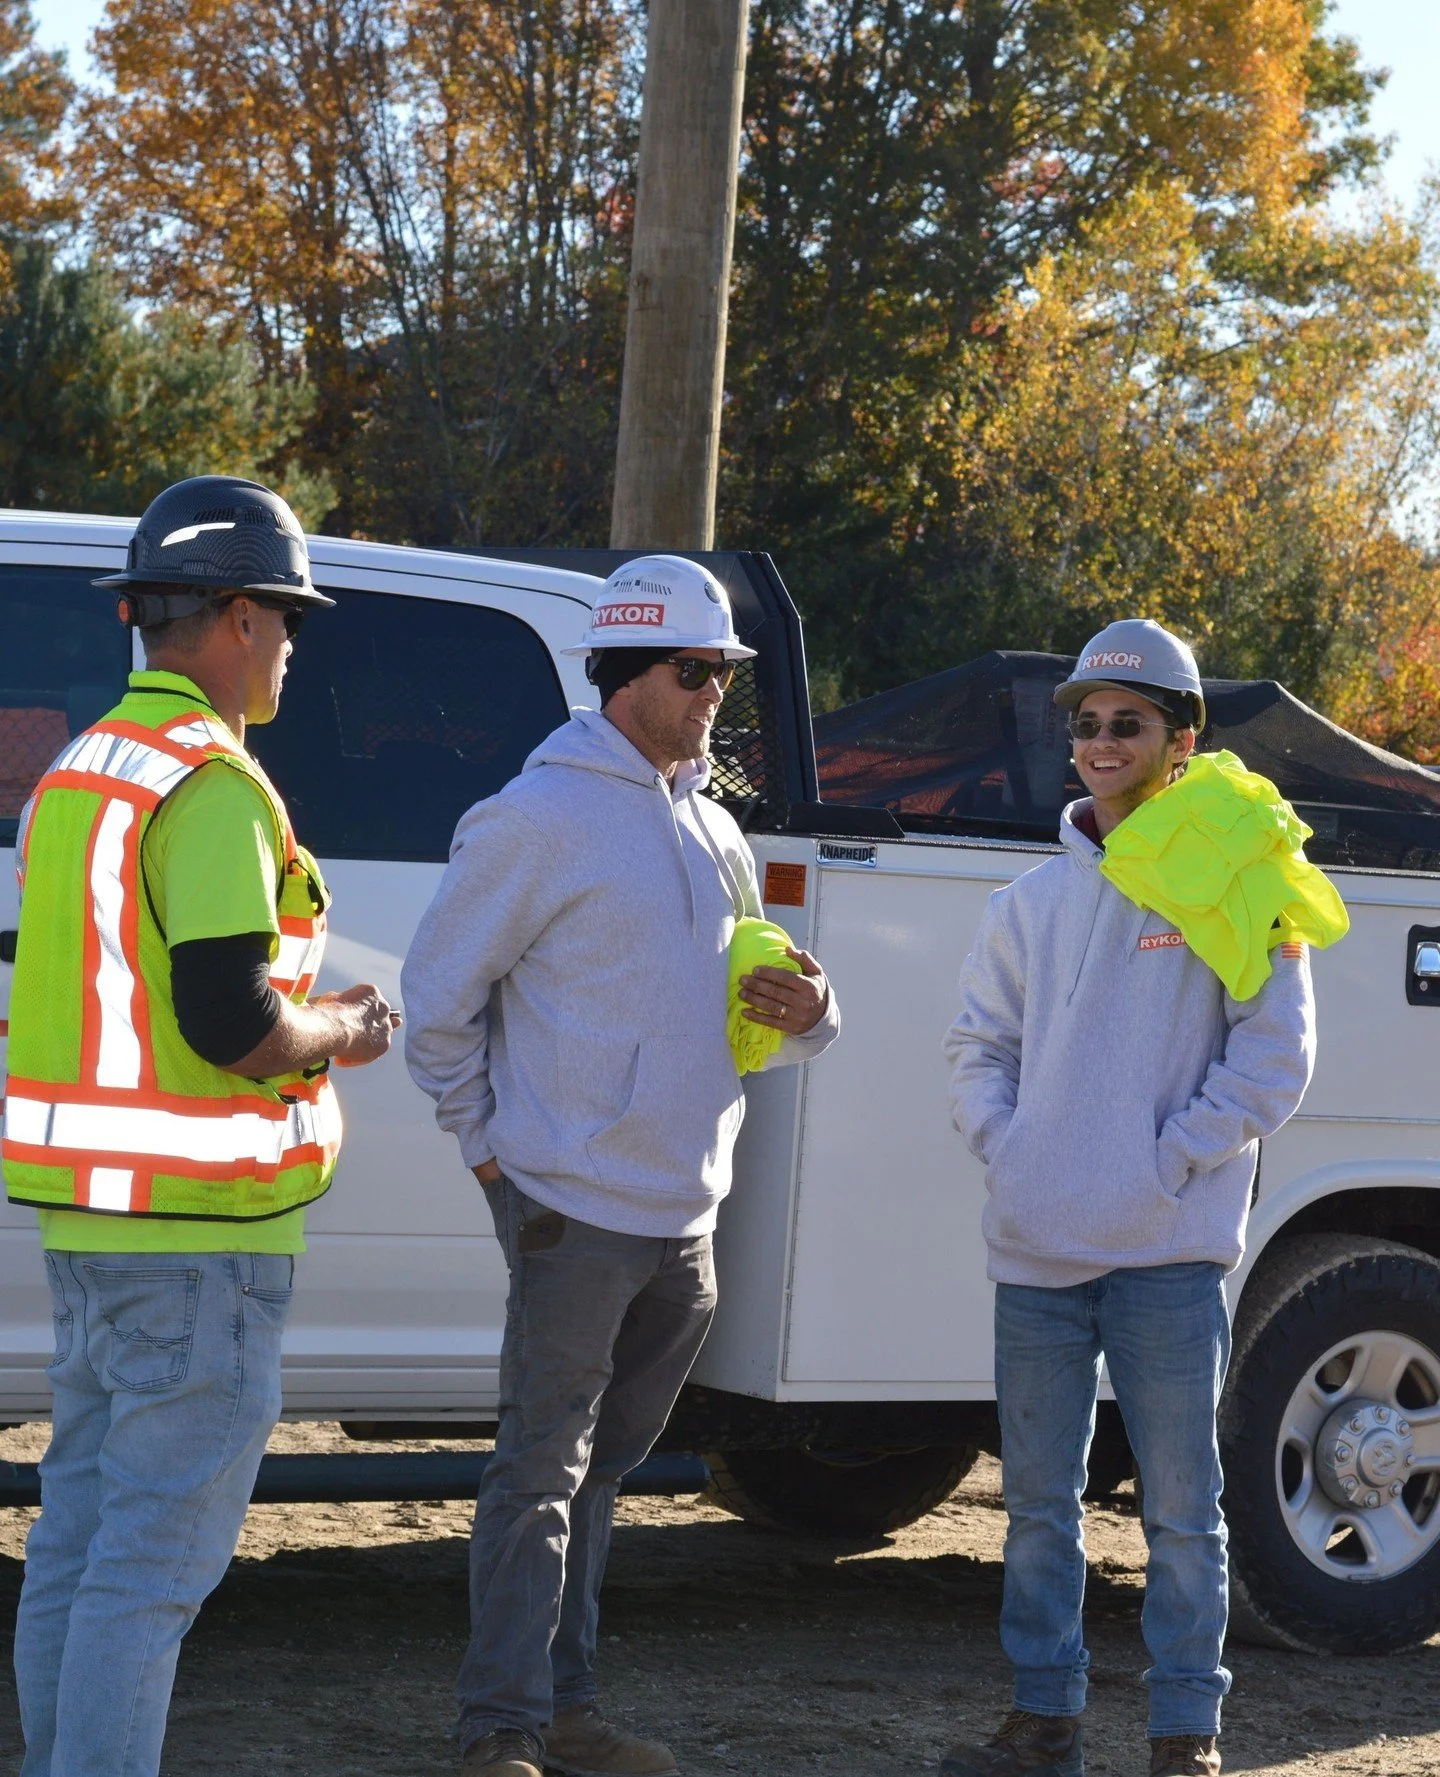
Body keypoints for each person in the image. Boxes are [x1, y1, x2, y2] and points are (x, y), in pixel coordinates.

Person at [403, 554, 841, 1777]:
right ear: (625, 674)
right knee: (541, 1472)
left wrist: (811, 1006)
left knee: (593, 1475)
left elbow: (779, 1021)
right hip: (569, 1211)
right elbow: (437, 1005)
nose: (715, 696)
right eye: (695, 673)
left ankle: (569, 1710)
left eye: (724, 675)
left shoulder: (717, 830)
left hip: (684, 1219)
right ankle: (502, 1730)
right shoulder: (534, 818)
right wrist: (494, 1161)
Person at [3, 475, 399, 1777]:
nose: (290, 641)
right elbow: (234, 1019)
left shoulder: (83, 771)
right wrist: (341, 1028)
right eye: (284, 616)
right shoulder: (213, 783)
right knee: (148, 1576)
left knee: (77, 1543)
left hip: (94, 1223)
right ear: (232, 616)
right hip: (200, 1235)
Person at [941, 620, 1325, 1777]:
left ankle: (1184, 1736)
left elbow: (1277, 1057)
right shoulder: (1024, 905)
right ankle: (1044, 1721)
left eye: (1131, 722)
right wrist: (1018, 1153)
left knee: (1181, 1515)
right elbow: (976, 1049)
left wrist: (1164, 1163)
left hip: (1169, 1255)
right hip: (1037, 1251)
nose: (1104, 742)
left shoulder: (1237, 878)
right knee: (1038, 1511)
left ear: (1181, 738)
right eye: (1089, 723)